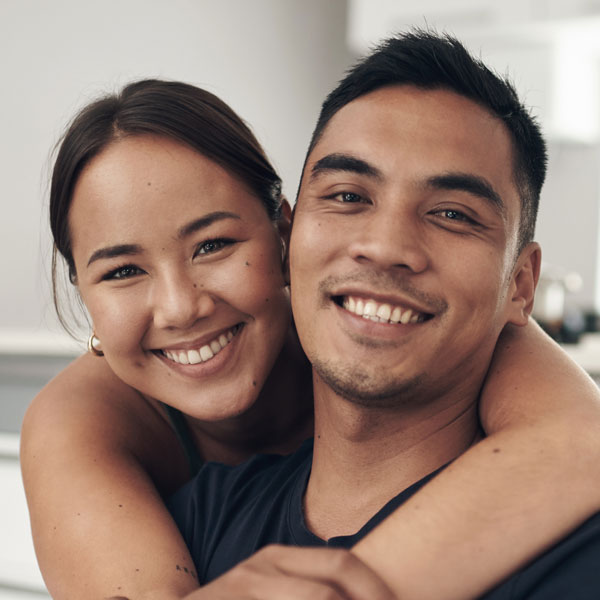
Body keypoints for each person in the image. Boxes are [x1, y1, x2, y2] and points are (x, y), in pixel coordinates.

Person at [20, 69, 600, 600]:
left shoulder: (427, 325)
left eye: (214, 245)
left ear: (283, 234)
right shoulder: (107, 439)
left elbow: (580, 440)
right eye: (122, 271)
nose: (179, 309)